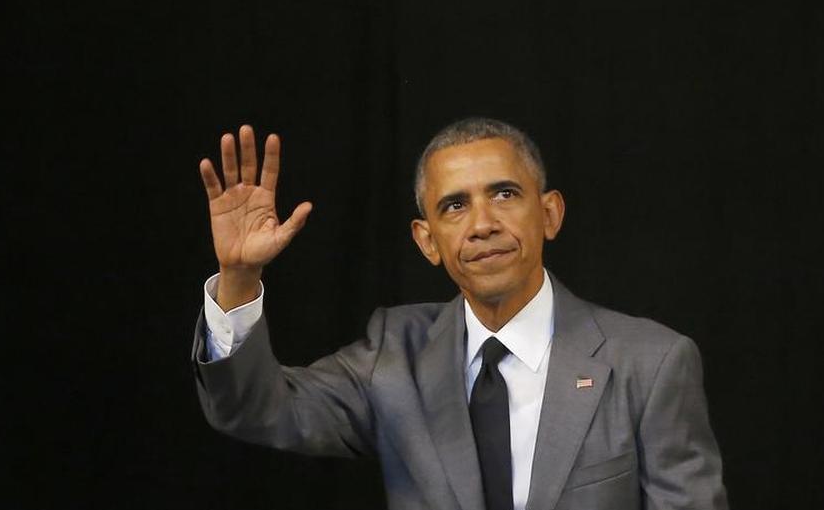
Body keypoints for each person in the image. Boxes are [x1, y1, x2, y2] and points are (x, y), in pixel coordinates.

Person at [192, 118, 729, 510]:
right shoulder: (393, 357)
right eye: (454, 206)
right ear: (427, 241)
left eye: (504, 194)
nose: (481, 225)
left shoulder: (650, 363)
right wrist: (240, 278)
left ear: (549, 214)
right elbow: (256, 411)